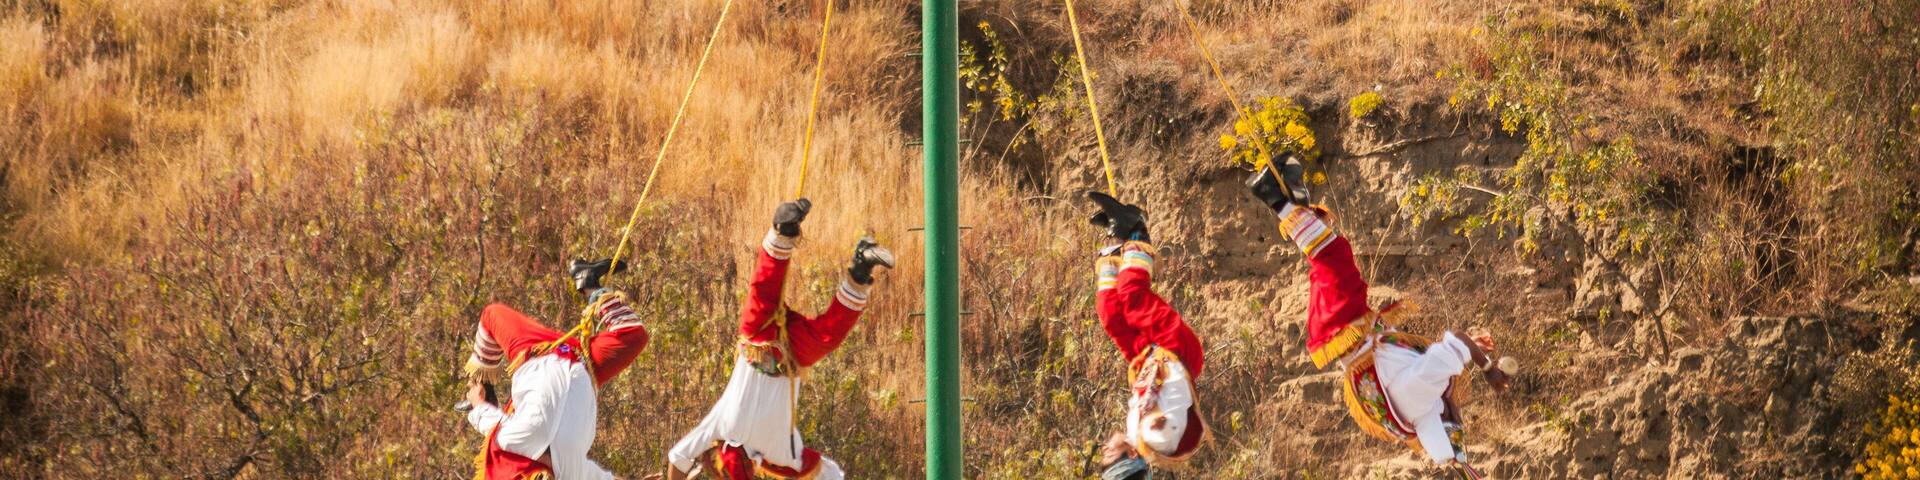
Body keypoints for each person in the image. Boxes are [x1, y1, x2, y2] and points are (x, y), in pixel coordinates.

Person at [1245, 155, 1510, 474]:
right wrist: (1463, 465)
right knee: (1327, 259)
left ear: (1442, 416)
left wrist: (1488, 368)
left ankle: (1274, 197)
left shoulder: (1424, 393)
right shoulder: (1409, 422)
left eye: (1454, 415)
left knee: (1334, 255)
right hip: (1349, 334)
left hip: (1346, 327)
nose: (1457, 408)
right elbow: (1437, 381)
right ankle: (1293, 202)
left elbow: (1456, 340)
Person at [660, 199, 894, 480]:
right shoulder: (781, 454)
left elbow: (678, 457)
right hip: (790, 356)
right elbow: (831, 474)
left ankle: (785, 232)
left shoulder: (720, 431)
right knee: (826, 334)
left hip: (758, 345)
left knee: (766, 295)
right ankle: (860, 267)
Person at [461, 259, 653, 480]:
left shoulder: (518, 441)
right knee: (634, 335)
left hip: (538, 351)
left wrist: (479, 402)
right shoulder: (572, 471)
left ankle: (483, 385)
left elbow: (491, 423)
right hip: (586, 364)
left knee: (491, 315)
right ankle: (590, 285)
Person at [1083, 192, 1210, 478]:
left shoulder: (1135, 435)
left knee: (1110, 315)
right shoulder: (1156, 440)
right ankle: (1136, 228)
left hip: (1146, 360)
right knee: (1133, 297)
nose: (1105, 447)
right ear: (1130, 455)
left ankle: (1116, 240)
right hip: (1175, 352)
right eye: (1109, 453)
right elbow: (1168, 422)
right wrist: (1159, 421)